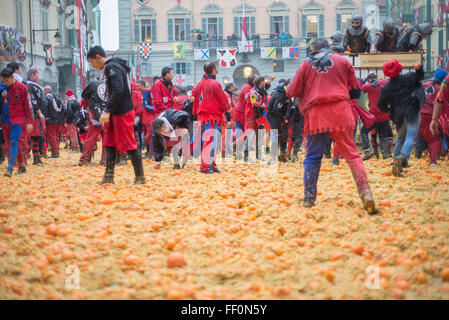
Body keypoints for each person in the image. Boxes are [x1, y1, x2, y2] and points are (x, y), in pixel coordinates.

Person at [286, 38, 375, 213]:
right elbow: (355, 90)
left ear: (314, 50)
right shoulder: (343, 61)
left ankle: (309, 198)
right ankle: (366, 194)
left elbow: (292, 91)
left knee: (312, 157)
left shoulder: (305, 64)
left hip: (316, 115)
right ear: (329, 48)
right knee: (352, 156)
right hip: (340, 112)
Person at [87, 45, 145, 185]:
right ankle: (108, 176)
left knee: (129, 143)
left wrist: (107, 109)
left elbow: (118, 90)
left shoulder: (111, 68)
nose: (93, 66)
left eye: (92, 62)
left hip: (122, 111)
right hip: (116, 111)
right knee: (109, 142)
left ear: (98, 57)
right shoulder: (113, 67)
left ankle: (140, 177)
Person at [378, 60, 425, 176]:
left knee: (400, 138)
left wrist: (389, 110)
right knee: (410, 137)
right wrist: (419, 68)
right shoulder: (409, 77)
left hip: (398, 115)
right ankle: (402, 157)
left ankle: (395, 161)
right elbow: (420, 76)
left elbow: (381, 105)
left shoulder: (386, 88)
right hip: (412, 111)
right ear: (399, 68)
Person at [192, 62, 229, 173]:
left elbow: (196, 100)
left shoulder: (200, 83)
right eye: (215, 69)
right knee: (210, 141)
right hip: (212, 115)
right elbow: (223, 100)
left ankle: (211, 165)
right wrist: (226, 108)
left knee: (209, 140)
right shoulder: (215, 84)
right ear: (213, 70)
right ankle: (205, 166)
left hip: (202, 116)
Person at [0, 68, 33, 176]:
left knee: (14, 141)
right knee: (10, 144)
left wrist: (29, 121)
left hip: (18, 120)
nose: (6, 83)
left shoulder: (22, 88)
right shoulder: (2, 88)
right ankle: (21, 166)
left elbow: (28, 105)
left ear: (12, 77)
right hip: (5, 121)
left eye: (8, 80)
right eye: (4, 81)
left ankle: (10, 168)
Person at [418, 68, 448, 165]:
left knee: (421, 136)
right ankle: (434, 162)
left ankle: (417, 156)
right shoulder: (441, 88)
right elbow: (441, 104)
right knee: (434, 139)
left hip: (417, 114)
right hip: (429, 115)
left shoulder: (424, 85)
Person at [359, 73, 391, 160]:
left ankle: (367, 150)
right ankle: (385, 155)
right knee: (383, 135)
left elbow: (361, 88)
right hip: (384, 115)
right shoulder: (384, 82)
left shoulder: (369, 86)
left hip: (374, 116)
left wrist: (362, 81)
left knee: (363, 131)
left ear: (369, 80)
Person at [78, 80, 107, 166]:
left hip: (95, 114)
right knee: (106, 139)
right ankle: (104, 161)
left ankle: (84, 160)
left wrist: (87, 106)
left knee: (90, 139)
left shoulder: (93, 83)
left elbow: (84, 96)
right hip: (107, 115)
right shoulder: (112, 85)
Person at [245, 76, 269, 162]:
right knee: (250, 134)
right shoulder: (253, 92)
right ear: (260, 82)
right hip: (252, 115)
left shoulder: (261, 90)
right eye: (264, 81)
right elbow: (254, 104)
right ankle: (246, 155)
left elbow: (264, 95)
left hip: (259, 114)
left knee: (259, 134)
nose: (265, 82)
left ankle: (259, 155)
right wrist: (261, 106)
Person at [25, 69, 46, 165]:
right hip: (33, 114)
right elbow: (33, 100)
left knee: (36, 137)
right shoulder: (29, 85)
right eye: (37, 75)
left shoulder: (35, 86)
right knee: (33, 136)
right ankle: (23, 156)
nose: (38, 77)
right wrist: (39, 112)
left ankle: (36, 157)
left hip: (37, 115)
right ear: (32, 76)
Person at [267, 79, 290, 163]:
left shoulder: (286, 94)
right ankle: (272, 158)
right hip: (274, 117)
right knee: (277, 136)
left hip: (282, 116)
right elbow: (276, 110)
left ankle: (282, 155)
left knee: (285, 135)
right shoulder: (279, 95)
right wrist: (283, 119)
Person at [234, 75, 255, 160]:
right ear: (253, 81)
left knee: (243, 132)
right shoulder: (248, 88)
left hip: (242, 112)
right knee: (244, 132)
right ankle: (239, 151)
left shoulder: (248, 87)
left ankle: (239, 150)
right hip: (242, 113)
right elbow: (249, 101)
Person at [42, 86, 65, 158]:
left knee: (51, 137)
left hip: (51, 120)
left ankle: (54, 153)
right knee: (57, 136)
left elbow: (45, 108)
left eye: (44, 91)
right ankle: (56, 151)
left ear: (46, 91)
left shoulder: (46, 98)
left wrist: (45, 117)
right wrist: (63, 119)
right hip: (59, 120)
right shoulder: (58, 98)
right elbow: (64, 108)